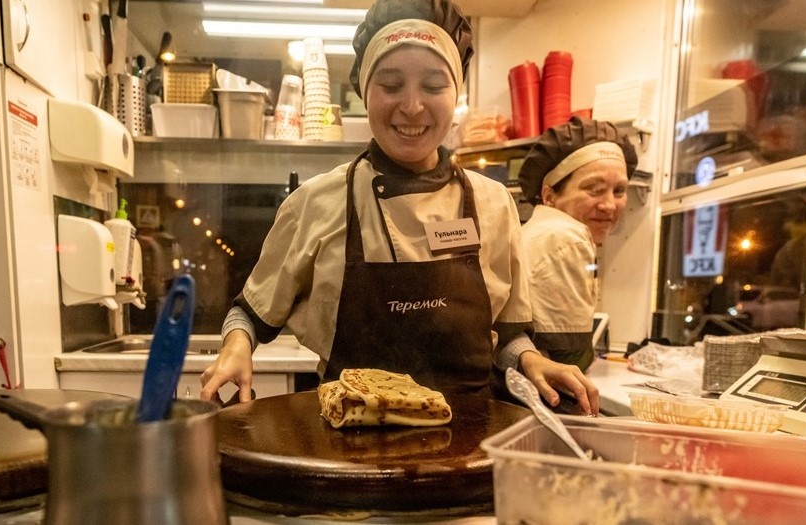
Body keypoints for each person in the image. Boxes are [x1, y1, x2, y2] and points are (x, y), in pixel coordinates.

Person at [200, 0, 599, 414]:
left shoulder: (493, 203)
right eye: (391, 85)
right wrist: (235, 349)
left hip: (469, 438)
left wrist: (531, 360)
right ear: (364, 91)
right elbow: (248, 315)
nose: (412, 106)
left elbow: (509, 336)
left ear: (456, 94)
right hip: (348, 437)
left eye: (433, 86)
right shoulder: (315, 203)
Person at [517, 117, 638, 370]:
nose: (609, 205)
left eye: (619, 191)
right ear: (549, 195)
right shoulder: (566, 237)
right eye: (594, 189)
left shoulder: (538, 230)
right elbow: (569, 360)